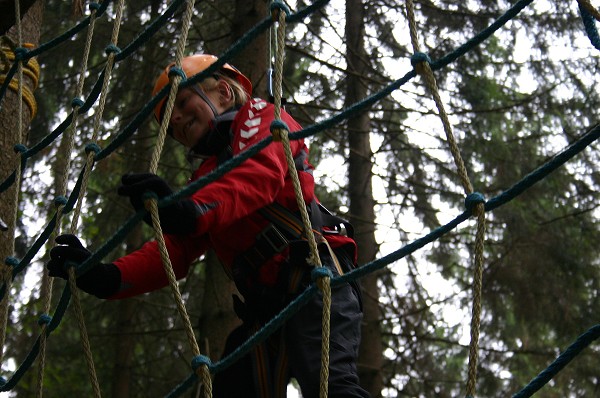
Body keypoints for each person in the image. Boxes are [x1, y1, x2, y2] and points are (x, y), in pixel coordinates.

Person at [47, 54, 369, 398]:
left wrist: (188, 209)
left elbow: (259, 173)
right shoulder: (205, 179)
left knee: (332, 388)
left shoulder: (263, 118)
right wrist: (109, 277)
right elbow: (176, 247)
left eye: (183, 103)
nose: (179, 120)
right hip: (267, 308)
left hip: (315, 281)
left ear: (224, 92)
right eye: (171, 124)